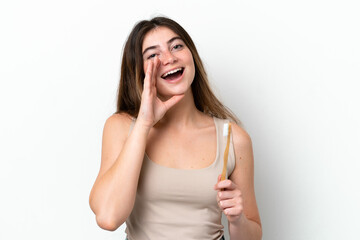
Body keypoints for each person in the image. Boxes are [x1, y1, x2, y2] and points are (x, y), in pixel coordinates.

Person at [89, 16, 262, 240]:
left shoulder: (233, 138)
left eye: (177, 46)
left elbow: (253, 234)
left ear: (192, 56)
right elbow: (108, 217)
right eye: (153, 55)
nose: (169, 58)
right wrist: (144, 123)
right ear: (140, 72)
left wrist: (237, 219)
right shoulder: (122, 127)